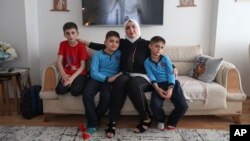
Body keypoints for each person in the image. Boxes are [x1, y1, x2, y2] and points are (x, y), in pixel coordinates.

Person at [81, 18, 178, 138]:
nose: (131, 30)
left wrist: (173, 67)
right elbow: (102, 45)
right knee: (120, 81)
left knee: (133, 84)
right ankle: (112, 121)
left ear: (138, 28)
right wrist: (84, 42)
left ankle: (146, 118)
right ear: (125, 30)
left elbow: (160, 56)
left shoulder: (147, 44)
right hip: (125, 74)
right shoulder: (122, 43)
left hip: (143, 77)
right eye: (127, 27)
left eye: (133, 27)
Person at [81, 31, 122, 140]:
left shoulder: (120, 53)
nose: (114, 44)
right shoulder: (98, 54)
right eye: (111, 41)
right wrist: (107, 79)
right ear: (105, 42)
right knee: (86, 94)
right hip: (96, 79)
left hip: (110, 81)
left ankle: (92, 122)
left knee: (106, 98)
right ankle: (93, 123)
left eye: (117, 42)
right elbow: (93, 72)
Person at [144, 36, 188, 131]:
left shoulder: (165, 59)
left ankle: (172, 121)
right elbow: (151, 76)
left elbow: (171, 73)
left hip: (172, 83)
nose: (159, 49)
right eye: (156, 46)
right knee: (154, 105)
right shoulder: (147, 62)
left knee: (183, 106)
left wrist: (170, 88)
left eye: (162, 47)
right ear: (150, 46)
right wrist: (157, 89)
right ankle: (161, 119)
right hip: (158, 85)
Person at [55, 22, 88, 96]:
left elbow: (82, 66)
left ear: (77, 33)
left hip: (79, 73)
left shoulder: (81, 46)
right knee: (59, 90)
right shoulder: (63, 44)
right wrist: (63, 75)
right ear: (64, 34)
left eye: (73, 33)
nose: (71, 36)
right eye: (68, 33)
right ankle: (71, 85)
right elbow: (59, 62)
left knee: (75, 92)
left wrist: (71, 79)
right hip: (67, 73)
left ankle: (77, 83)